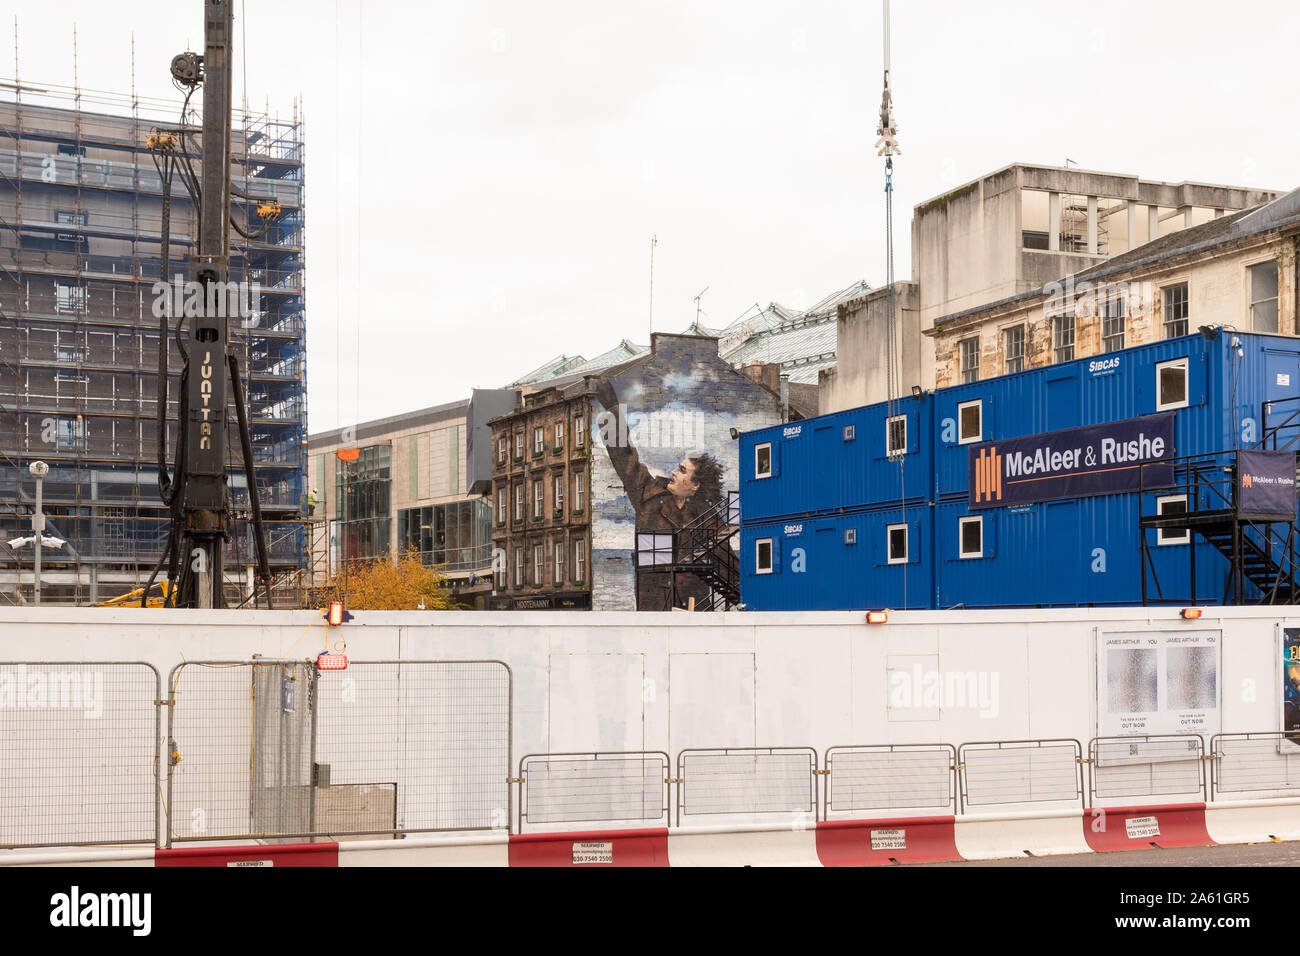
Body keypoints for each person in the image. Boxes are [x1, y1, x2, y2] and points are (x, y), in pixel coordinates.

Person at [595, 378, 725, 611]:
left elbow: (726, 564)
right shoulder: (648, 495)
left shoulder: (707, 517)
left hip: (695, 609)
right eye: (678, 466)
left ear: (695, 485)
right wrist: (613, 411)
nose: (674, 472)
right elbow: (624, 458)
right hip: (654, 607)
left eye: (682, 470)